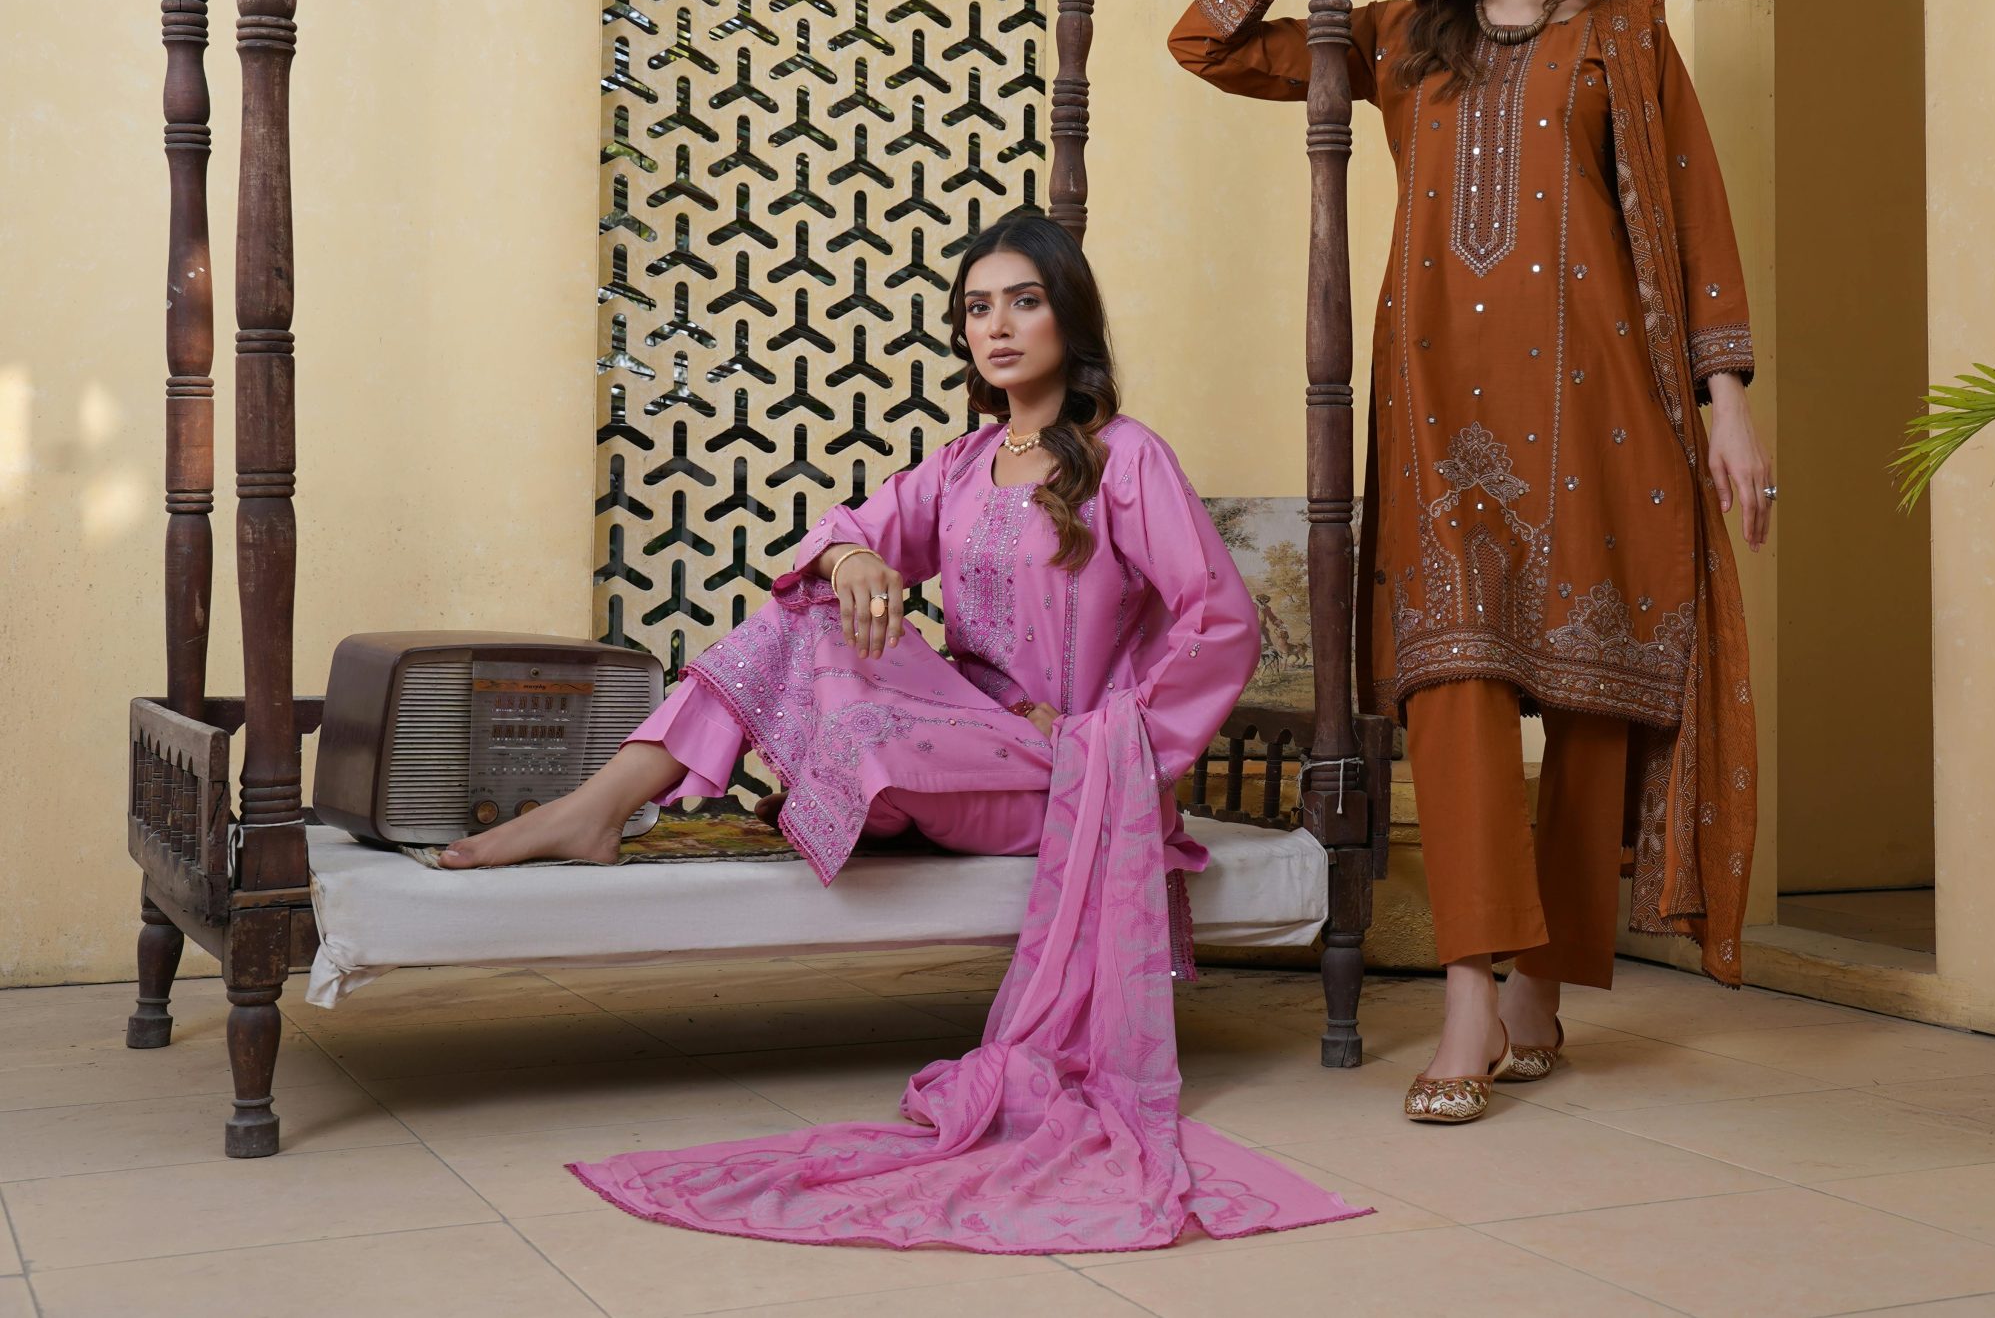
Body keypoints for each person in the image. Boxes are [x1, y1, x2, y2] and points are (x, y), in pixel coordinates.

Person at [440, 211, 1364, 1250]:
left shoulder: (1125, 460)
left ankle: (716, 802)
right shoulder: (964, 465)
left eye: (1024, 301)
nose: (998, 327)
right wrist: (854, 563)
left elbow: (1218, 620)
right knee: (803, 611)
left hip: (1066, 768)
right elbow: (835, 537)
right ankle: (605, 805)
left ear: (1070, 316)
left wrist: (1116, 730)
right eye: (978, 308)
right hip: (966, 736)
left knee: (832, 668)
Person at [1170, 0, 1775, 1126]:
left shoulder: (1626, 39)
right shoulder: (1405, 40)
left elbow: (1694, 215)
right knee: (1452, 688)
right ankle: (1467, 988)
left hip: (1599, 407)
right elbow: (1206, 43)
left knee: (1590, 699)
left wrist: (1728, 399)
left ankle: (1543, 978)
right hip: (1443, 416)